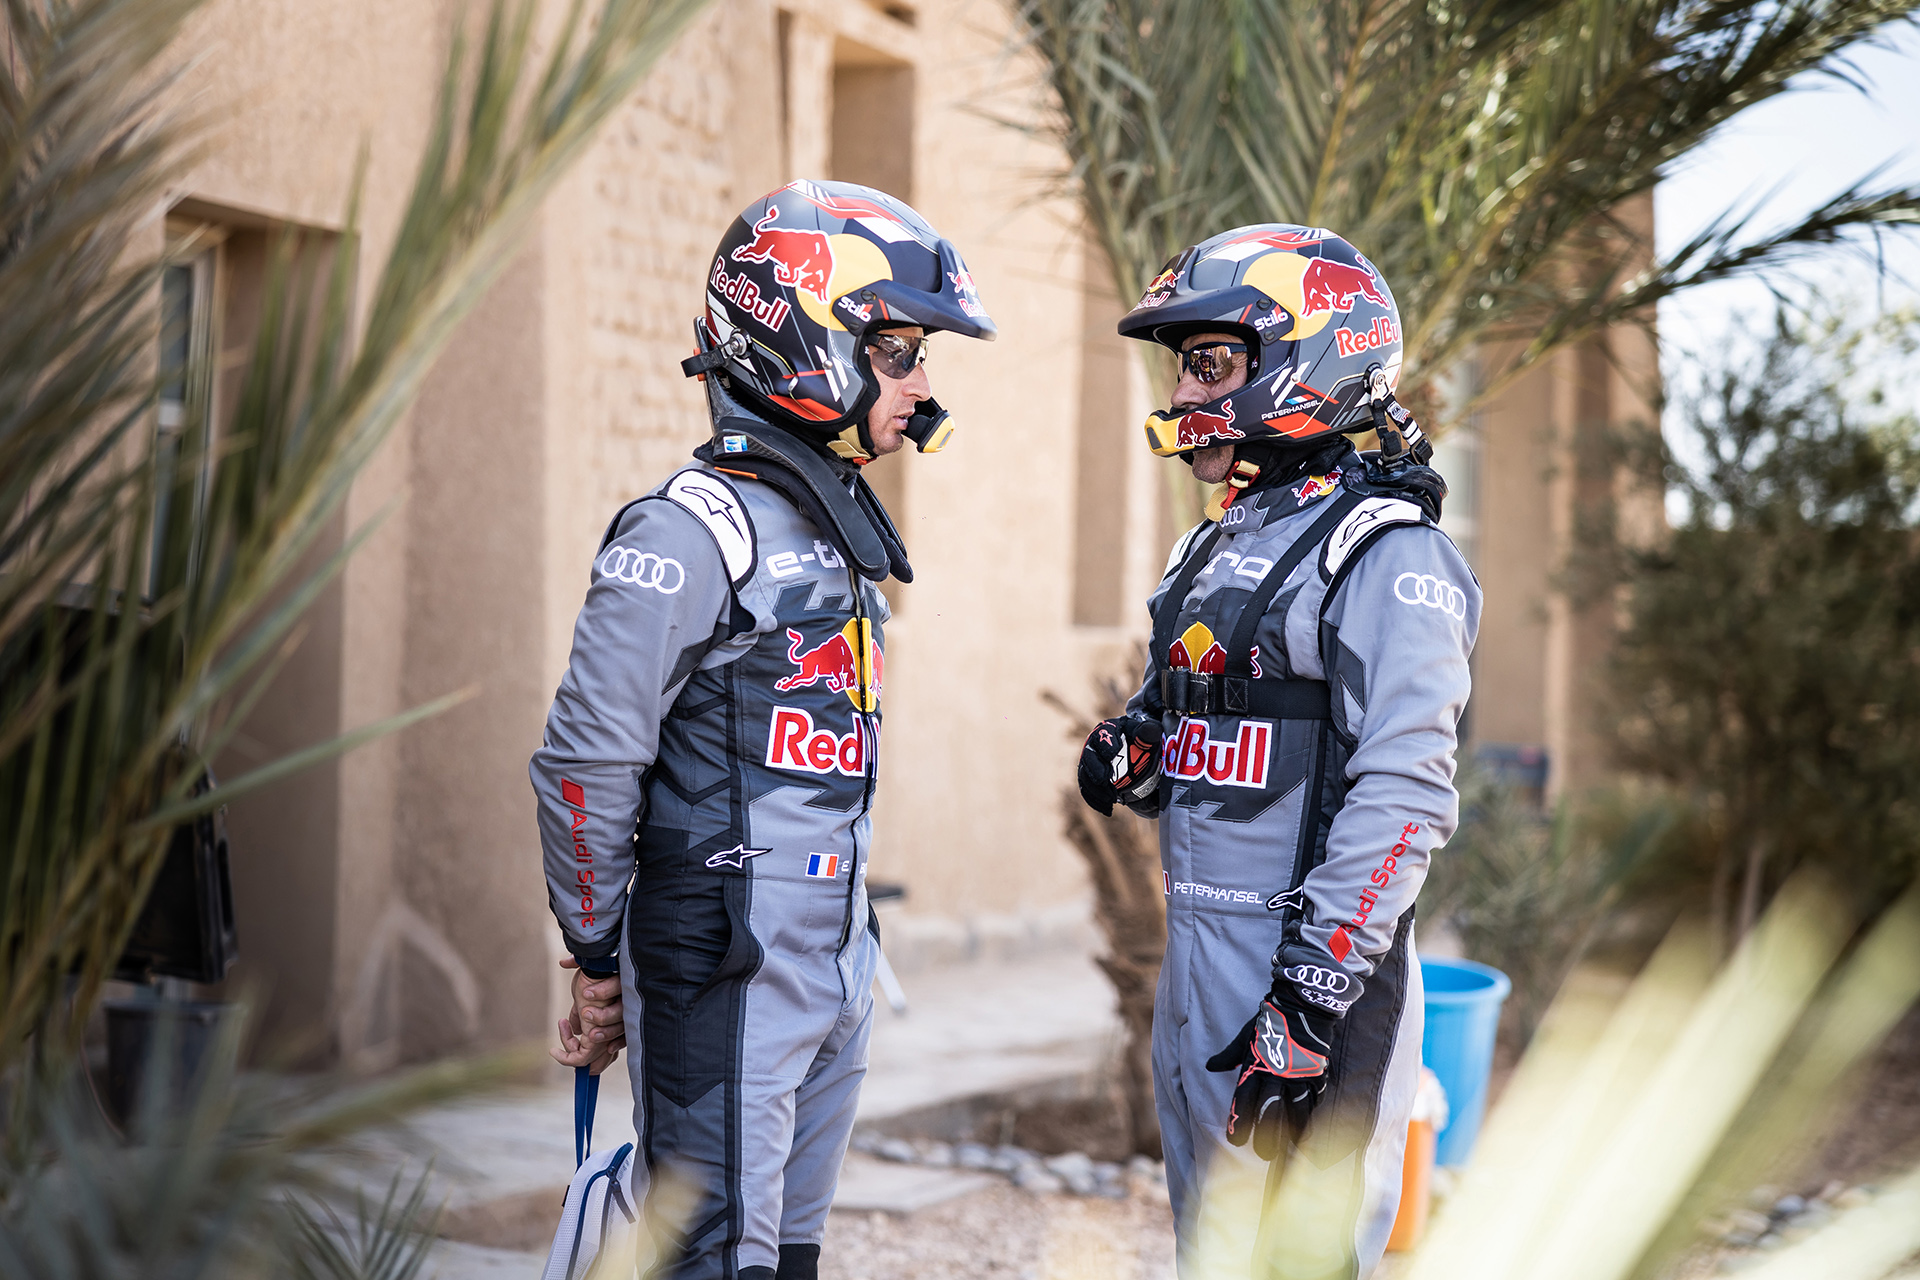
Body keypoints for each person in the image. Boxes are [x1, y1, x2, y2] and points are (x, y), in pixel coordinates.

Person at [530, 179, 994, 1280]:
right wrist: (595, 955)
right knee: (707, 1257)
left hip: (831, 953)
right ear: (801, 338)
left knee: (783, 1258)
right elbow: (584, 764)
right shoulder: (690, 530)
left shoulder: (827, 526)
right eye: (899, 351)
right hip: (726, 951)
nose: (923, 384)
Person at [1077, 224, 1479, 1278]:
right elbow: (1209, 715)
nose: (1188, 390)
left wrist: (1309, 995)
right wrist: (1139, 744)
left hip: (1309, 972)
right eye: (1184, 365)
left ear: (1309, 354)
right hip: (1199, 954)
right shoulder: (1215, 543)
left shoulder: (1390, 554)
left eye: (1212, 361)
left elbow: (1403, 790)